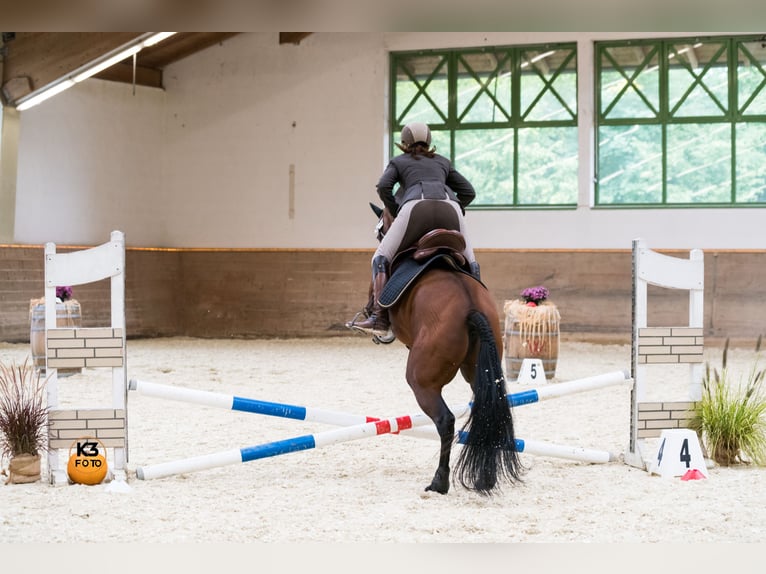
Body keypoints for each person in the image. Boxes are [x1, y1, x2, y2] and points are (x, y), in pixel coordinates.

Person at [346, 121, 480, 337]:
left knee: (380, 257)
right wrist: (453, 208)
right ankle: (479, 308)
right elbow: (469, 192)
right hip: (451, 205)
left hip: (415, 206)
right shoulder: (443, 162)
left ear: (404, 142)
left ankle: (379, 318)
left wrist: (396, 210)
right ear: (429, 142)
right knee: (471, 261)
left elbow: (383, 187)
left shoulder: (399, 161)